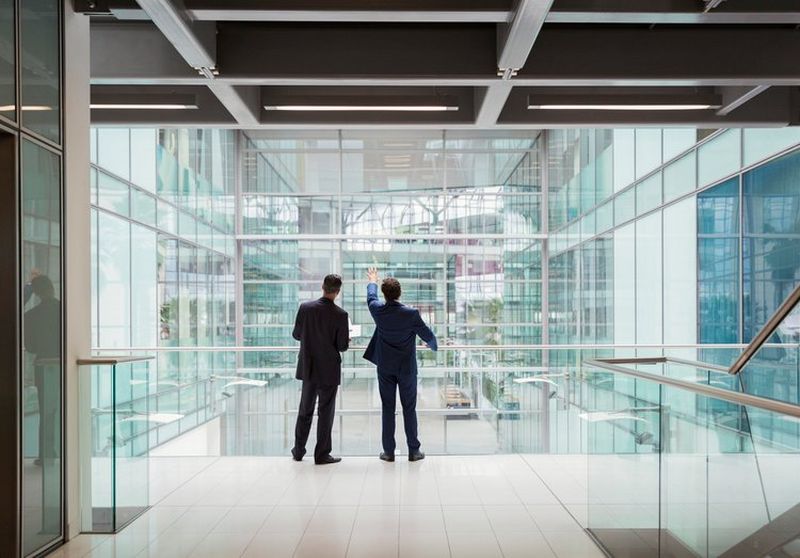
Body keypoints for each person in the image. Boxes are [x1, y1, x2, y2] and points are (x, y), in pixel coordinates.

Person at [363, 267, 437, 462]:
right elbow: (428, 336)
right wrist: (434, 345)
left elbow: (371, 297)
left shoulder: (378, 310)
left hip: (385, 368)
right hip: (406, 369)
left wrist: (372, 280)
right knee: (409, 408)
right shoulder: (411, 314)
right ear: (400, 293)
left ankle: (388, 452)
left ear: (385, 294)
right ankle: (414, 451)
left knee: (388, 408)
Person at [291, 274, 350, 465]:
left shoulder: (305, 308)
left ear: (322, 287)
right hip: (329, 369)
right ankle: (322, 454)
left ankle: (299, 451)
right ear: (337, 292)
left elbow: (296, 334)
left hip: (308, 367)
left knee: (305, 410)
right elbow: (342, 346)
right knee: (326, 412)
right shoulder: (341, 315)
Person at [23, 274, 60, 467]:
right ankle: (65, 450)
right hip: (64, 366)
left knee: (47, 411)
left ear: (36, 293)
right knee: (64, 409)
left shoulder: (30, 316)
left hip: (43, 366)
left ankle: (46, 454)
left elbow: (30, 347)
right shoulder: (64, 310)